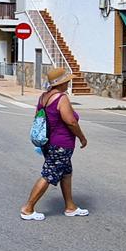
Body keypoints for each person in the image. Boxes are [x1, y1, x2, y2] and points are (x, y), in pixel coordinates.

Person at [21, 67, 89, 221]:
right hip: (60, 145)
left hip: (48, 143)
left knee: (66, 173)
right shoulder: (61, 98)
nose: (69, 82)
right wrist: (82, 138)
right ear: (61, 83)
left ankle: (70, 207)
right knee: (48, 175)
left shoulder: (43, 97)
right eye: (67, 80)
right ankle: (28, 208)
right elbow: (71, 121)